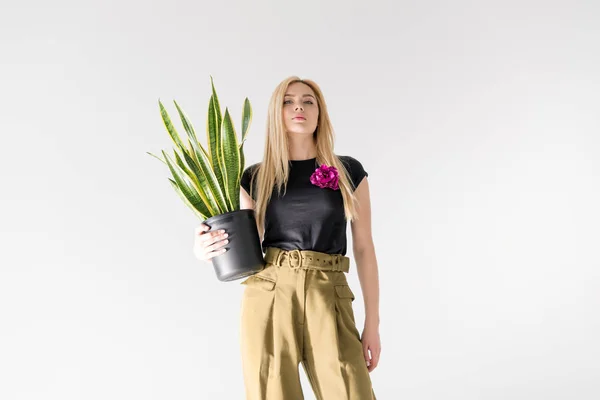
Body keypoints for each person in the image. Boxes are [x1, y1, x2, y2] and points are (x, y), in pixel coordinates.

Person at [193, 76, 381, 399]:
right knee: (272, 392)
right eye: (288, 101)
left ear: (320, 113)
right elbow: (244, 244)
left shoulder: (348, 171)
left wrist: (373, 324)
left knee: (352, 391)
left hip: (329, 291)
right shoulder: (256, 177)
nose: (298, 106)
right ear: (276, 113)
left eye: (308, 101)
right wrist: (203, 248)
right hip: (270, 292)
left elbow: (364, 248)